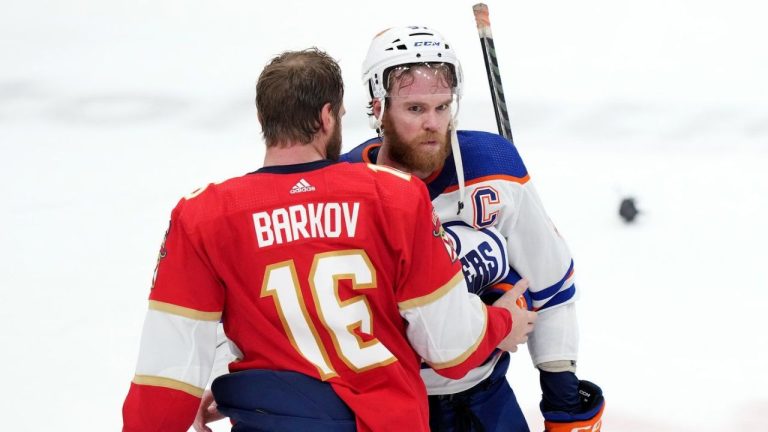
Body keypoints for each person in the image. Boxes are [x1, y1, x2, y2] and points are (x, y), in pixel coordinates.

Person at [122, 48, 537, 432]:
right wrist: (504, 320)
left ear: (262, 118)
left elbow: (165, 381)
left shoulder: (203, 215)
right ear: (327, 117)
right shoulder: (395, 196)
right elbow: (450, 349)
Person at [339, 26, 605, 431]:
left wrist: (563, 399)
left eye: (442, 107)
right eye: (415, 109)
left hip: (488, 399)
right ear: (378, 107)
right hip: (389, 405)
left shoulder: (493, 162)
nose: (433, 123)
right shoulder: (342, 186)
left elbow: (551, 282)